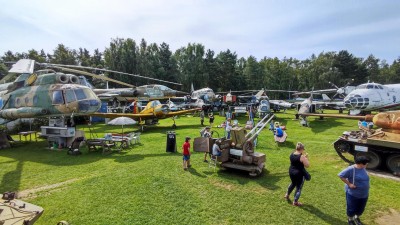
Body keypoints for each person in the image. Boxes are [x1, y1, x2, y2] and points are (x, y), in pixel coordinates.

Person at [338, 156, 370, 225]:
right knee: (351, 208)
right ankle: (350, 219)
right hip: (353, 194)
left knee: (361, 208)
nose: (367, 165)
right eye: (366, 163)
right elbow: (341, 175)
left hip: (364, 194)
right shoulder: (351, 169)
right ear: (361, 164)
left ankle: (356, 218)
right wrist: (349, 184)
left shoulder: (363, 168)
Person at [284, 142, 310, 206]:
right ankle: (295, 202)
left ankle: (287, 195)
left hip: (291, 171)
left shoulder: (292, 154)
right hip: (299, 174)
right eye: (303, 149)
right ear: (301, 149)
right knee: (298, 187)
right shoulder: (302, 157)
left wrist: (304, 157)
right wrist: (305, 158)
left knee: (293, 183)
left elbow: (296, 161)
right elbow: (307, 165)